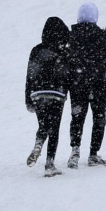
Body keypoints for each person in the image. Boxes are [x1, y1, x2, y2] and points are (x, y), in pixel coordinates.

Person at [66, 2, 106, 168]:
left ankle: (74, 151)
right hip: (97, 84)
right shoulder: (102, 36)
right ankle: (93, 154)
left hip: (77, 85)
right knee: (99, 118)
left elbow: (65, 59)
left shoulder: (71, 36)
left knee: (77, 117)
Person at [24, 16, 70, 176]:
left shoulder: (36, 50)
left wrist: (28, 98)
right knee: (54, 128)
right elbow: (69, 74)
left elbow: (29, 75)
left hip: (37, 93)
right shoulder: (64, 50)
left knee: (44, 124)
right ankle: (49, 164)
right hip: (57, 92)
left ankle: (38, 143)